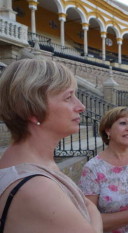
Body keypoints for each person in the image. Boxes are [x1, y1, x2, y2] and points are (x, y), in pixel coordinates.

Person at [0, 59, 103, 233]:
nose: (81, 106)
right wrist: (92, 210)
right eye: (68, 97)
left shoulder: (31, 164)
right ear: (33, 110)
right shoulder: (37, 187)